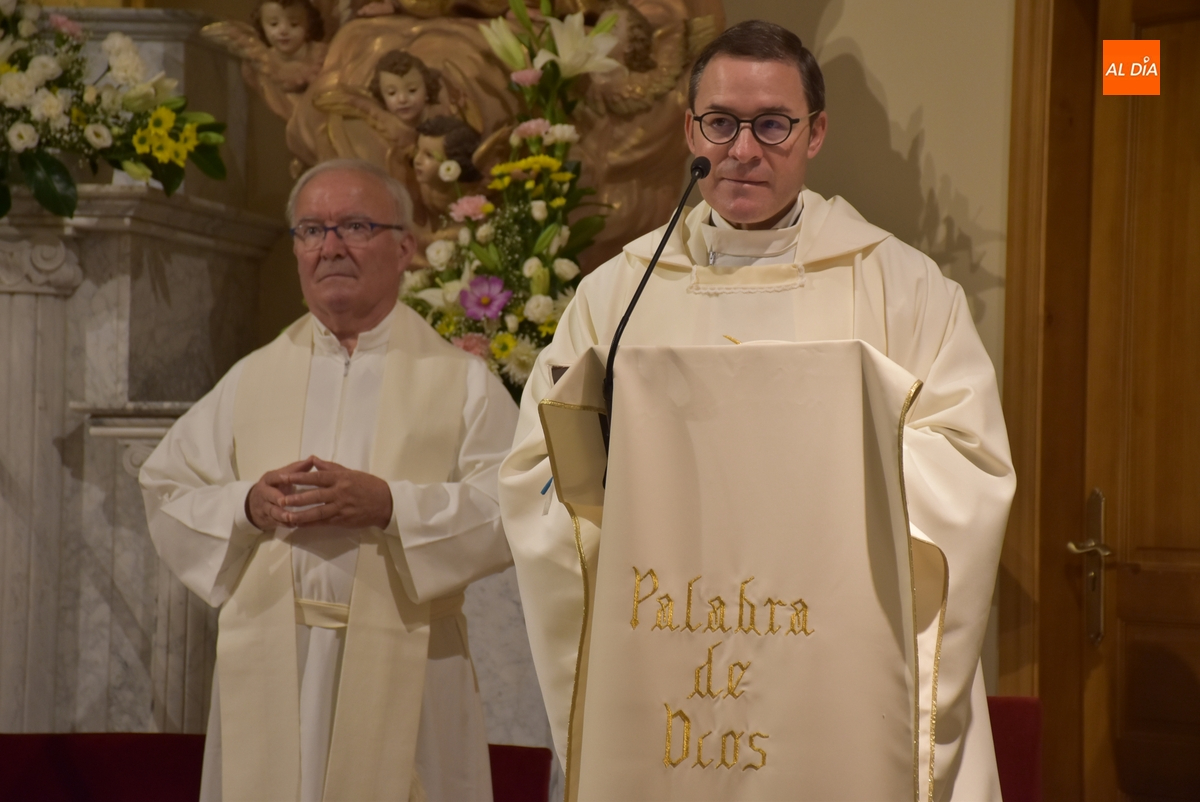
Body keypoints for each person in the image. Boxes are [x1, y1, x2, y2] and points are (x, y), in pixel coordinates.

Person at [498, 19, 1015, 801]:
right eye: (721, 123)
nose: (743, 149)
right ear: (690, 129)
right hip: (667, 639)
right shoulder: (619, 294)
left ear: (815, 134)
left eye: (772, 124)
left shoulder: (903, 288)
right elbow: (542, 466)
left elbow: (968, 465)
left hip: (834, 657)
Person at [140, 158, 518, 802]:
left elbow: (514, 505)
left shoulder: (460, 382)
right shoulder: (250, 379)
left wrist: (392, 505)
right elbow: (168, 490)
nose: (331, 247)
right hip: (273, 658)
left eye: (356, 226)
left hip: (411, 663)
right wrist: (248, 507)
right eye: (312, 230)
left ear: (405, 248)